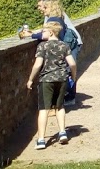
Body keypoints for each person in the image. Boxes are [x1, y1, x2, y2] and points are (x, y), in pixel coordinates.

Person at [26, 20, 77, 150]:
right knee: (60, 106)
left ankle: (41, 139)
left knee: (44, 109)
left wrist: (31, 79)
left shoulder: (43, 46)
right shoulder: (64, 45)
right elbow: (72, 64)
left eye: (43, 31)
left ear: (51, 32)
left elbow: (38, 64)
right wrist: (73, 76)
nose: (42, 34)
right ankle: (62, 132)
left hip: (46, 80)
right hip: (62, 79)